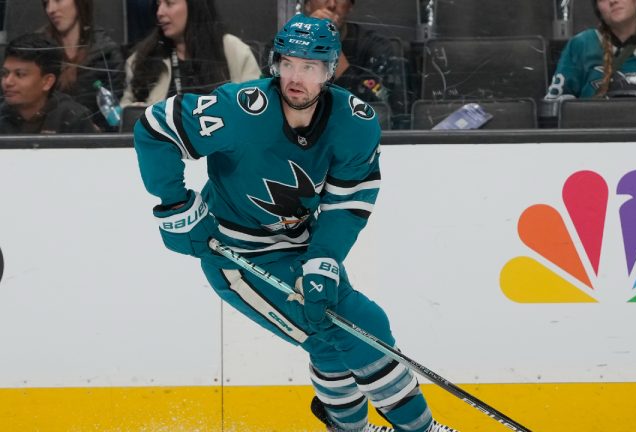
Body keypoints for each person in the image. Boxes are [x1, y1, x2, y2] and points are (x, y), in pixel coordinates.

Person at [133, 14, 457, 432]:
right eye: (288, 63)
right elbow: (156, 128)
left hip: (302, 245)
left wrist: (323, 258)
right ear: (275, 63)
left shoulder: (354, 123)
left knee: (330, 339)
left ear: (330, 71)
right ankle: (420, 428)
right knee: (363, 325)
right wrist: (176, 206)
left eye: (309, 67)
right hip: (238, 257)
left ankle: (350, 428)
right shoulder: (239, 109)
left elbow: (347, 203)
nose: (295, 77)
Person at [266, 1, 404, 124]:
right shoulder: (280, 46)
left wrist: (328, 43)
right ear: (307, 4)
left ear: (350, 6)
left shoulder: (374, 46)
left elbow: (380, 108)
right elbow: (270, 101)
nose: (331, 4)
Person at [121, 0, 261, 107]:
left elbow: (257, 108)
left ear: (194, 5)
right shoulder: (142, 60)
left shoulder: (234, 52)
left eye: (169, 3)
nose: (160, 12)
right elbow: (125, 117)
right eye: (158, 4)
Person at [41, 0, 124, 131]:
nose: (50, 9)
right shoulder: (39, 49)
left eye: (58, 0)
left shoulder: (105, 52)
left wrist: (97, 131)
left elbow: (115, 113)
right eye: (46, 3)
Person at [0, 33, 97, 133]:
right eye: (4, 73)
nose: (8, 82)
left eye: (20, 74)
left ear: (47, 81)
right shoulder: (2, 115)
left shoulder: (73, 118)